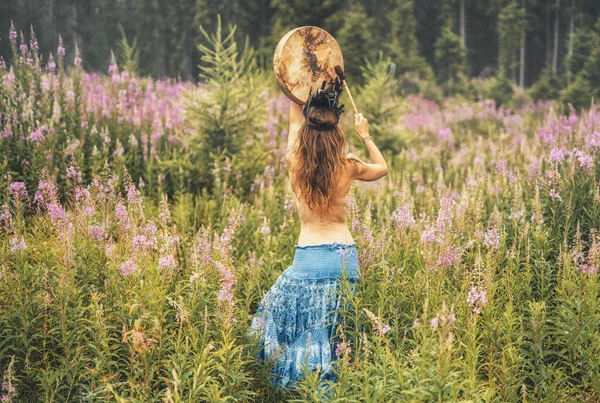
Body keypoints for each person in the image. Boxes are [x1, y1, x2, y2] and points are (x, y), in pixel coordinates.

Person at [249, 80, 388, 392]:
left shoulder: (294, 162)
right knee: (336, 330)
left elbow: (292, 122)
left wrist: (296, 88)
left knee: (287, 314)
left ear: (307, 131)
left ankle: (302, 386)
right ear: (337, 133)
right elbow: (382, 167)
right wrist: (365, 134)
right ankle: (337, 388)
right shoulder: (349, 165)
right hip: (344, 259)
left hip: (308, 257)